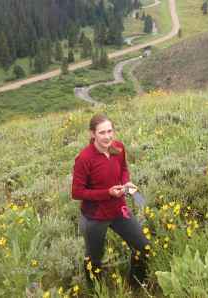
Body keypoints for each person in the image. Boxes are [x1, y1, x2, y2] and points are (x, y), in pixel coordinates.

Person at [71, 113, 149, 289]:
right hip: (94, 218)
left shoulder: (118, 147)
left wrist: (126, 182)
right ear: (92, 134)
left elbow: (124, 169)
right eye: (102, 133)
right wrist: (107, 193)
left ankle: (136, 286)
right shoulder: (84, 158)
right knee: (94, 259)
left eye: (109, 131)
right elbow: (76, 192)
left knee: (143, 247)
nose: (107, 137)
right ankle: (96, 291)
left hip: (119, 210)